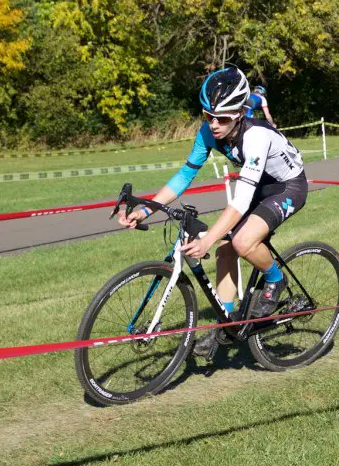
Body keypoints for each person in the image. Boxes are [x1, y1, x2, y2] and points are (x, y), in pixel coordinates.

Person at [117, 66, 307, 355]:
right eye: (208, 116)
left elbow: (239, 203)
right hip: (257, 184)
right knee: (224, 251)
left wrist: (206, 239)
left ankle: (275, 279)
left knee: (242, 242)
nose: (213, 124)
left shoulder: (256, 137)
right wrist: (146, 209)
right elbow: (185, 175)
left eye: (222, 118)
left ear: (240, 114)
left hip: (287, 187)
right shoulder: (209, 132)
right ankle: (224, 328)